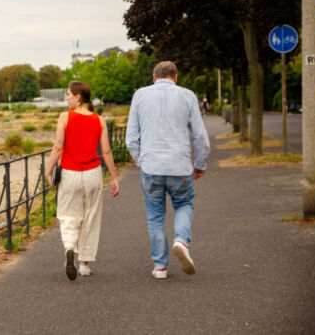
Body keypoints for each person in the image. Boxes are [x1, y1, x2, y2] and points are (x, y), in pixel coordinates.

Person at [126, 61, 210, 279]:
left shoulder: (140, 96)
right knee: (184, 204)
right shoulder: (188, 96)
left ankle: (160, 267)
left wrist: (141, 161)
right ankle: (181, 240)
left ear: (154, 77)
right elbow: (200, 136)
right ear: (176, 77)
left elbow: (131, 138)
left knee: (155, 216)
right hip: (179, 166)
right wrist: (200, 164)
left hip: (151, 166)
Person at [45, 81, 120, 281]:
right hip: (93, 173)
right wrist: (113, 177)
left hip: (70, 172)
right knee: (91, 215)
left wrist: (49, 169)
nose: (66, 98)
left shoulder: (65, 117)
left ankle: (70, 247)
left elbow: (58, 147)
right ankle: (84, 264)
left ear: (78, 96)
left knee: (69, 215)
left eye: (69, 94)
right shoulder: (99, 120)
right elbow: (106, 150)